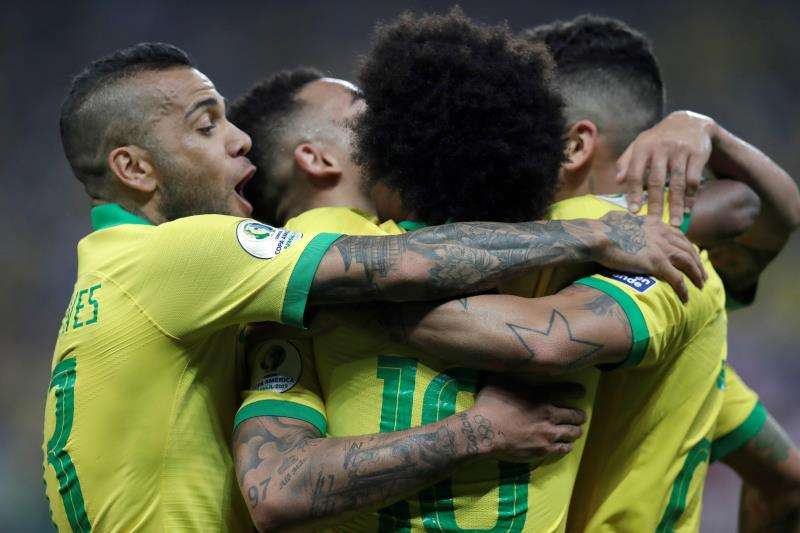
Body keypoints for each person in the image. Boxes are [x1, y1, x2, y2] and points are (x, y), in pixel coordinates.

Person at [43, 42, 696, 532]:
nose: (239, 138)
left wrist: (691, 133)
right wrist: (593, 236)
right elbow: (401, 266)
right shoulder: (187, 254)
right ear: (133, 168)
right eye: (205, 124)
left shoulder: (120, 273)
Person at [227, 10, 716, 531]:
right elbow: (552, 339)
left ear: (384, 148)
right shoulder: (600, 237)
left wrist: (339, 303)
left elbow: (276, 491)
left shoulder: (310, 257)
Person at [522, 15, 800, 531]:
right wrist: (707, 130)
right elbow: (786, 483)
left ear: (573, 146)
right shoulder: (689, 297)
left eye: (519, 123)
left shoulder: (502, 255)